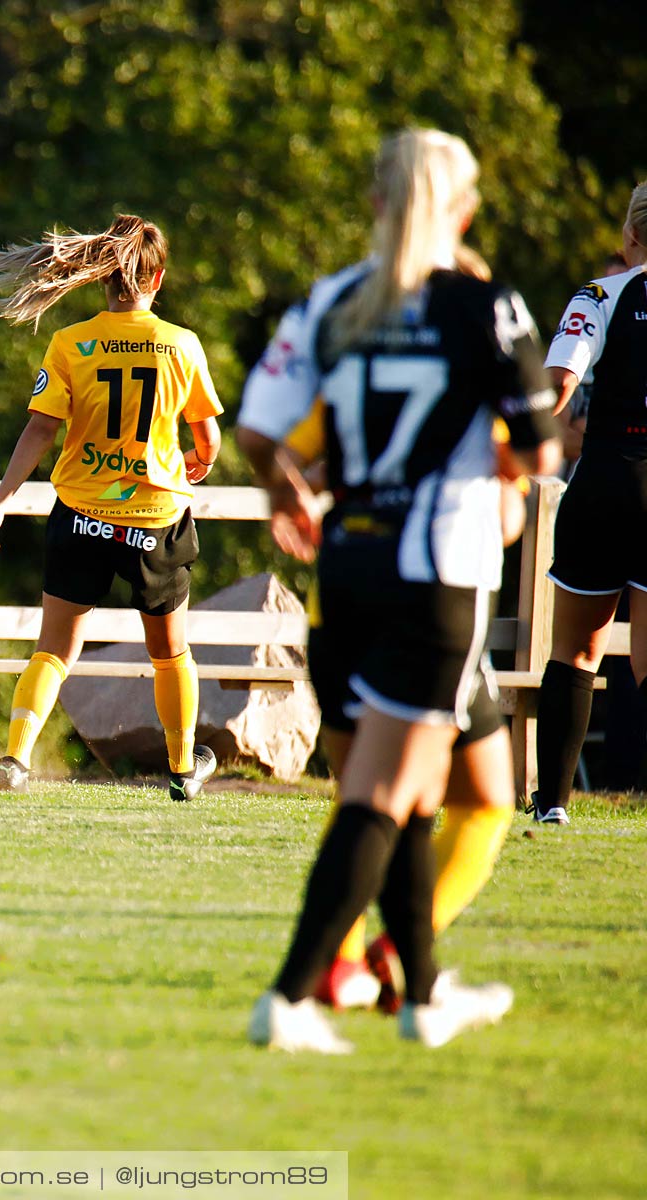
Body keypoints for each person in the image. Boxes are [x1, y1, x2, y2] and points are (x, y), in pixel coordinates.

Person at [235, 128, 560, 1052]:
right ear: (463, 210)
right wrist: (494, 459)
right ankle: (293, 996)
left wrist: (286, 493)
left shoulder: (333, 299)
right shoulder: (486, 306)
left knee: (413, 800)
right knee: (381, 795)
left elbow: (262, 431)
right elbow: (537, 449)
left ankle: (421, 996)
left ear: (378, 204)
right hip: (438, 576)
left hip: (347, 569)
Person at [244, 400, 529, 1016]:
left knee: (366, 792)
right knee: (476, 801)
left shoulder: (355, 352)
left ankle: (355, 969)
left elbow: (277, 451)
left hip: (341, 594)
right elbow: (509, 512)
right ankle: (377, 967)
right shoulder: (468, 353)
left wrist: (303, 494)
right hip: (433, 598)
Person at [0, 214, 224, 801]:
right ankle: (183, 770)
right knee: (169, 652)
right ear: (156, 276)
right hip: (155, 518)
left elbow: (38, 432)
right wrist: (201, 460)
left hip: (80, 514)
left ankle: (14, 757)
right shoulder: (181, 345)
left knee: (54, 649)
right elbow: (207, 437)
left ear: (101, 277)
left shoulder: (70, 344)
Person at [531, 197, 647, 824]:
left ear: (630, 231)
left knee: (575, 651)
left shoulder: (599, 296)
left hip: (605, 480)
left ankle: (552, 805)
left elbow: (556, 390)